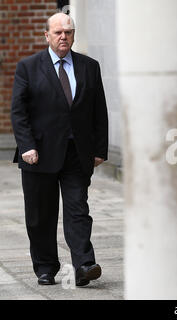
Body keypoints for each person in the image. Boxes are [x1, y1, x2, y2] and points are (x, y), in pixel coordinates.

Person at [10, 12, 108, 287]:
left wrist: (99, 148)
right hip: (38, 154)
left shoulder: (90, 67)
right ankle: (45, 267)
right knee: (40, 214)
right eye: (58, 32)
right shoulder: (28, 67)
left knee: (78, 209)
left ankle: (84, 264)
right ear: (47, 36)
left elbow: (99, 111)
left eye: (68, 32)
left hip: (77, 153)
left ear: (74, 35)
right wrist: (27, 145)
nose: (63, 36)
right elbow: (19, 112)